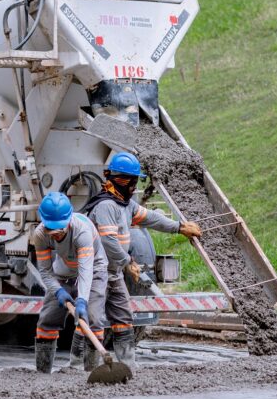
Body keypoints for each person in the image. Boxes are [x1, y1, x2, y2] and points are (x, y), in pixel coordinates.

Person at [83, 152, 202, 370]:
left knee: (123, 318)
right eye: (132, 182)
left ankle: (127, 367)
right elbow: (108, 241)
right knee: (94, 321)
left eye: (137, 182)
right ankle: (84, 368)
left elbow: (149, 218)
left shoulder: (125, 205)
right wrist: (128, 261)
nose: (134, 187)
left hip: (114, 273)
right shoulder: (105, 206)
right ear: (120, 180)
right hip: (97, 273)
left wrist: (179, 227)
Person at [31, 192, 109, 373]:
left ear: (68, 221)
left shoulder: (82, 231)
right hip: (62, 274)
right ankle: (42, 373)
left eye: (60, 230)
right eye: (52, 230)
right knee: (47, 319)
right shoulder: (40, 234)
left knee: (94, 318)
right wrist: (58, 291)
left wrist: (81, 300)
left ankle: (92, 373)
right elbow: (45, 270)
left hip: (94, 270)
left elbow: (85, 270)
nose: (56, 235)